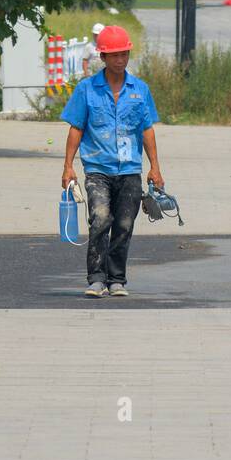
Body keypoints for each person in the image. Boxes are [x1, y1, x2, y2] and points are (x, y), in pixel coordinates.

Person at [61, 25, 164, 298]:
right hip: (97, 168)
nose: (120, 60)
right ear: (103, 58)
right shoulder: (86, 90)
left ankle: (116, 279)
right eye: (114, 55)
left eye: (124, 54)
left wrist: (155, 167)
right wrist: (68, 166)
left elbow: (147, 129)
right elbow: (76, 128)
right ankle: (96, 278)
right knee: (100, 218)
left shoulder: (139, 90)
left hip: (130, 168)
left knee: (124, 224)